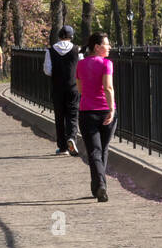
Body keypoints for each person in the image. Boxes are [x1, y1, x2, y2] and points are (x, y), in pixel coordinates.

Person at [76, 33, 116, 202]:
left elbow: (80, 89)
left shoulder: (80, 64)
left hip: (87, 111)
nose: (109, 47)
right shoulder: (107, 64)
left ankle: (99, 185)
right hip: (105, 111)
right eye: (107, 44)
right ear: (97, 47)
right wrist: (111, 109)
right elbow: (108, 87)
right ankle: (100, 185)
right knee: (103, 150)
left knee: (94, 151)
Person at [44, 25, 82, 156]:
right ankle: (72, 137)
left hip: (57, 87)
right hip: (73, 87)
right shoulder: (77, 50)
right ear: (71, 36)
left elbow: (47, 70)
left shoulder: (50, 51)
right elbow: (81, 68)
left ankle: (62, 146)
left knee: (59, 116)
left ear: (59, 36)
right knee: (72, 114)